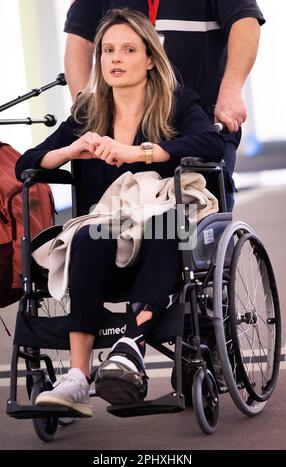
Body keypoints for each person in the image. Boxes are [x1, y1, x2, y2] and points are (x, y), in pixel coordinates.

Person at [16, 9, 225, 416]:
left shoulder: (176, 102)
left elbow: (211, 145)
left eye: (128, 50)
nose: (115, 58)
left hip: (162, 237)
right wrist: (69, 151)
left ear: (149, 58)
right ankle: (78, 377)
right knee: (88, 237)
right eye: (108, 50)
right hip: (112, 239)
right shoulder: (88, 112)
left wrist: (141, 153)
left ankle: (131, 347)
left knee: (168, 226)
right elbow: (29, 161)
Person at [64, 0, 265, 211]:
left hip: (200, 119)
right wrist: (87, 108)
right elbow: (80, 40)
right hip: (131, 123)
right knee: (109, 214)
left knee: (198, 209)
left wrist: (231, 90)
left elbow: (245, 22)